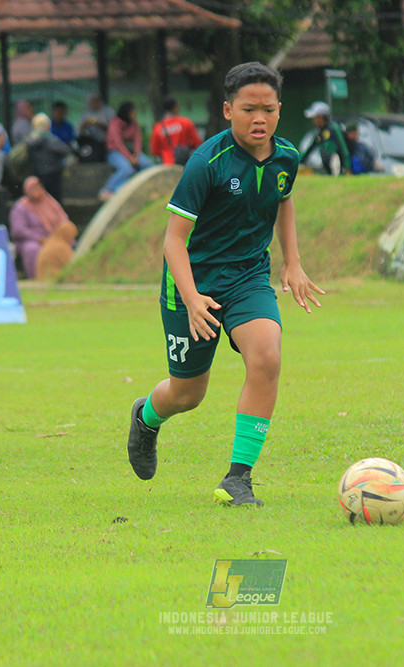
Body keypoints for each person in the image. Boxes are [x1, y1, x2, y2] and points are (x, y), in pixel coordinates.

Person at [125, 61, 325, 507]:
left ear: (279, 109)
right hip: (192, 284)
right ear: (228, 110)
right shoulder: (206, 162)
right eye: (249, 109)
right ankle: (147, 416)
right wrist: (193, 298)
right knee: (187, 394)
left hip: (248, 277)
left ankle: (238, 478)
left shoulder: (286, 157)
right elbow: (173, 241)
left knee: (267, 356)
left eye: (268, 109)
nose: (260, 119)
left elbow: (284, 200)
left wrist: (292, 262)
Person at [9, 177, 75, 279]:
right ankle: (36, 277)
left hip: (54, 238)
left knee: (69, 246)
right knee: (32, 249)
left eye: (39, 187)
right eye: (33, 188)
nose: (37, 191)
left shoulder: (51, 202)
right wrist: (38, 238)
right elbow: (19, 230)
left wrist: (57, 236)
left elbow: (63, 219)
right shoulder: (21, 207)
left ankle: (67, 276)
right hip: (32, 240)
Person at [100, 101, 155, 201]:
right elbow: (118, 143)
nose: (134, 115)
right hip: (115, 152)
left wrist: (136, 155)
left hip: (132, 152)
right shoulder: (115, 124)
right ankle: (107, 189)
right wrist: (129, 158)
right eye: (132, 112)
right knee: (127, 169)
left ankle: (137, 187)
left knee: (149, 165)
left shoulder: (134, 124)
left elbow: (137, 141)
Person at [26, 112, 71, 202]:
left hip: (37, 174)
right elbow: (66, 150)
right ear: (48, 126)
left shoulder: (30, 141)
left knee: (39, 200)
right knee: (54, 200)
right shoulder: (51, 140)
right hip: (53, 175)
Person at [299, 101, 350, 175]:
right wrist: (299, 162)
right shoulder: (320, 132)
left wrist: (347, 167)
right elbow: (311, 148)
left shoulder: (333, 128)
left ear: (321, 117)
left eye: (315, 117)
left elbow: (343, 149)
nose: (313, 120)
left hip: (338, 167)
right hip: (328, 168)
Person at [150, 95, 203, 166]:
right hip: (184, 163)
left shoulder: (158, 128)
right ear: (175, 107)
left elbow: (155, 151)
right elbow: (197, 143)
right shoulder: (186, 122)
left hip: (166, 165)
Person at [77, 93, 114, 162]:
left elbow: (114, 129)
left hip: (106, 142)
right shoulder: (85, 113)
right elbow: (78, 132)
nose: (95, 104)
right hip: (91, 143)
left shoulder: (107, 111)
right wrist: (85, 124)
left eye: (97, 101)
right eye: (93, 102)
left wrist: (100, 124)